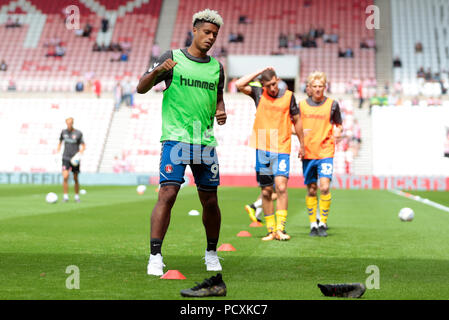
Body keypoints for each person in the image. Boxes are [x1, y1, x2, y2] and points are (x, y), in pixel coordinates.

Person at [136, 9, 227, 276]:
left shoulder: (217, 67)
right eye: (207, 32)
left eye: (215, 34)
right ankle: (155, 256)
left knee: (210, 200)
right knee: (168, 194)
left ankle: (211, 253)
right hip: (176, 139)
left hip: (205, 142)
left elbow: (219, 97)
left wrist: (221, 110)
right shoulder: (171, 58)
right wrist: (158, 73)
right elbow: (141, 87)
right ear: (195, 31)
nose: (211, 38)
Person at [236, 67, 305, 241]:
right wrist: (259, 71)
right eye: (268, 86)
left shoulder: (289, 96)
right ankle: (270, 230)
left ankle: (281, 228)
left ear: (278, 79)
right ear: (263, 85)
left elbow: (297, 121)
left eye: (274, 84)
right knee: (266, 191)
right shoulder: (258, 93)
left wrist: (302, 145)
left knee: (281, 187)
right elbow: (239, 84)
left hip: (281, 146)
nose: (272, 88)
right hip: (263, 147)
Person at [299, 71, 343, 237]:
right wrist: (300, 134)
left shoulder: (332, 104)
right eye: (315, 86)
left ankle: (323, 223)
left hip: (326, 151)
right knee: (311, 189)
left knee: (324, 187)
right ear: (310, 87)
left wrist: (338, 132)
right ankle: (313, 225)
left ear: (325, 87)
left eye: (320, 86)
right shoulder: (301, 105)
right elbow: (292, 126)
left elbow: (339, 124)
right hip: (308, 152)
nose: (318, 89)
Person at [56, 117, 85, 203]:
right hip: (66, 158)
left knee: (75, 178)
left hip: (74, 159)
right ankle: (65, 197)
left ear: (72, 123)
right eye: (68, 123)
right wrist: (57, 152)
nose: (69, 125)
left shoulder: (78, 133)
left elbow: (83, 145)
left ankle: (76, 196)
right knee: (65, 176)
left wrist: (79, 154)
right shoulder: (63, 132)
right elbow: (60, 143)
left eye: (70, 123)